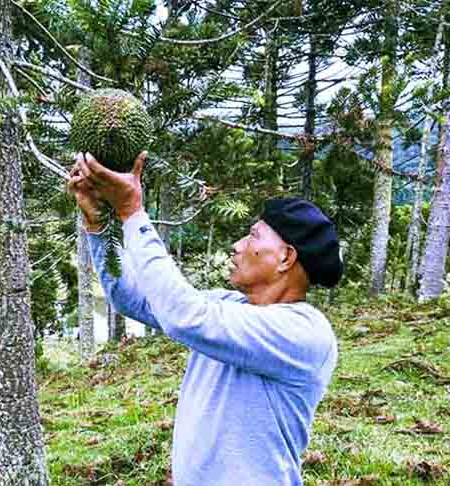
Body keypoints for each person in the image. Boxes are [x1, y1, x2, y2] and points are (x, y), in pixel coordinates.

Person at [67, 151, 343, 486]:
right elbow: (131, 298)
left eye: (253, 236)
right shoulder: (230, 306)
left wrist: (132, 212)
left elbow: (183, 315)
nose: (237, 246)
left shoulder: (304, 333)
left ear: (286, 257)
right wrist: (98, 224)